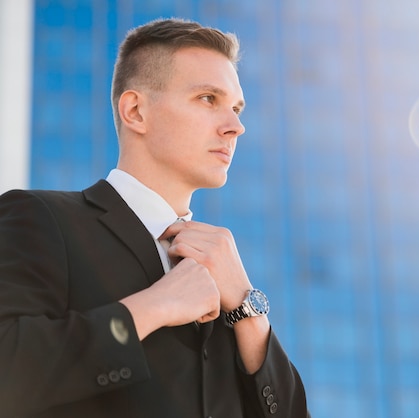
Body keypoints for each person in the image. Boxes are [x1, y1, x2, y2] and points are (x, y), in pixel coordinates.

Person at [0, 18, 309, 418]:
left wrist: (248, 309)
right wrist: (152, 308)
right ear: (135, 111)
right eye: (207, 98)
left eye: (236, 108)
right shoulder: (42, 218)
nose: (236, 126)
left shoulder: (225, 273)